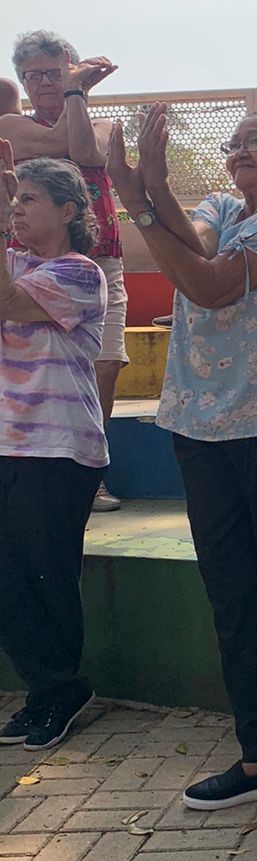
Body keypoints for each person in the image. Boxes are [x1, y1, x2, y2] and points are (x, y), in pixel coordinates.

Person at [106, 102, 257, 808]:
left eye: (256, 142)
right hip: (202, 420)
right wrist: (143, 193)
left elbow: (208, 284)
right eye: (233, 143)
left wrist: (141, 204)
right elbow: (196, 241)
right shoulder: (219, 204)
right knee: (232, 589)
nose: (238, 153)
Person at [0, 151, 107, 752]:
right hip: (6, 441)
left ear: (69, 210)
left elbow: (8, 304)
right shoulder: (11, 259)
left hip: (58, 446)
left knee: (46, 572)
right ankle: (46, 690)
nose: (16, 210)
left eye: (28, 199)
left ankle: (63, 688)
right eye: (12, 200)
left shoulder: (77, 272)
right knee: (8, 578)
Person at [5, 31, 127, 511]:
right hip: (33, 265)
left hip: (98, 261)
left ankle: (88, 471)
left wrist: (76, 95)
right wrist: (76, 92)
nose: (42, 83)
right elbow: (64, 143)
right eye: (31, 75)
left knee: (106, 363)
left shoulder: (103, 125)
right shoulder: (12, 124)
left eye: (54, 73)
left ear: (73, 73)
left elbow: (85, 152)